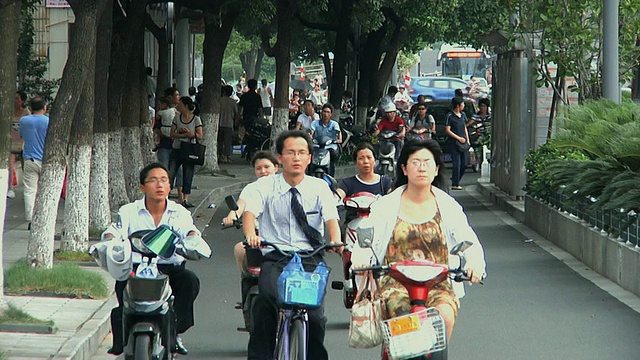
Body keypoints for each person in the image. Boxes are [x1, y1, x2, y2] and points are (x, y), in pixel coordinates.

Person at [351, 139, 486, 342]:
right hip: (395, 284)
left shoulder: (449, 206)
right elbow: (367, 238)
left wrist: (474, 265)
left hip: (438, 284)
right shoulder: (385, 206)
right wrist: (360, 260)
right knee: (405, 321)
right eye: (415, 162)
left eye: (427, 162)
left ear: (436, 168)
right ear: (404, 168)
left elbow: (468, 240)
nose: (421, 168)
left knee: (444, 316)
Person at [242, 130, 342, 360]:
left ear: (309, 158)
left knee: (316, 318)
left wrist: (335, 240)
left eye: (302, 153)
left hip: (310, 257)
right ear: (279, 157)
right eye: (290, 152)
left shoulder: (319, 187)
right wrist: (250, 235)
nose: (296, 158)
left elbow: (331, 219)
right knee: (265, 301)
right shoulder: (265, 186)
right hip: (275, 257)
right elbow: (250, 214)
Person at [101, 162, 209, 356]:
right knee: (122, 288)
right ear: (142, 187)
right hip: (135, 268)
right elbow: (114, 231)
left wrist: (192, 239)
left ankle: (175, 331)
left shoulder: (179, 212)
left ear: (169, 186)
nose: (159, 185)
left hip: (169, 269)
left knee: (189, 281)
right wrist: (109, 241)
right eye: (153, 180)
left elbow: (189, 230)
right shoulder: (128, 211)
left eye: (164, 180)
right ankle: (122, 337)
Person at [222, 151, 279, 272]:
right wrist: (231, 217)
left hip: (282, 237)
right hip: (257, 238)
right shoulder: (251, 189)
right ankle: (247, 282)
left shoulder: (285, 187)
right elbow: (239, 206)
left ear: (276, 167)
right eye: (258, 168)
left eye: (267, 167)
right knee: (240, 249)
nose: (263, 171)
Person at [336, 142, 394, 224]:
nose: (366, 161)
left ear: (375, 160)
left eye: (369, 157)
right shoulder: (348, 183)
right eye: (361, 158)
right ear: (355, 162)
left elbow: (393, 198)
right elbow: (338, 194)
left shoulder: (385, 182)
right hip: (352, 226)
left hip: (379, 225)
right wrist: (334, 199)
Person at [168, 97, 203, 208]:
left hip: (189, 150)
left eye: (181, 104)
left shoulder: (196, 119)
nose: (178, 106)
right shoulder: (177, 118)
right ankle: (166, 195)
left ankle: (185, 199)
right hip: (177, 149)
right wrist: (183, 134)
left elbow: (200, 136)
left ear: (186, 106)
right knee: (171, 173)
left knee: (188, 174)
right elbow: (172, 134)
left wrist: (190, 133)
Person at [19, 97, 48, 227]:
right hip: (46, 160)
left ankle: (31, 219)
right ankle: (44, 217)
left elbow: (21, 136)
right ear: (44, 108)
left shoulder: (24, 121)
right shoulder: (48, 121)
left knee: (30, 190)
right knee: (45, 190)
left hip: (29, 160)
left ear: (30, 108)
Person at [310, 103, 342, 177]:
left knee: (333, 155)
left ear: (331, 114)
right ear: (321, 112)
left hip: (330, 146)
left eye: (328, 112)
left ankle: (331, 175)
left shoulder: (334, 124)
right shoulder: (315, 123)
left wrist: (337, 140)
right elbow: (311, 133)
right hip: (317, 145)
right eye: (324, 111)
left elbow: (339, 137)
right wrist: (310, 137)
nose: (325, 114)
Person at [445, 97, 470, 190]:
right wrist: (458, 138)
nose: (463, 106)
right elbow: (447, 130)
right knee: (457, 163)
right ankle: (455, 183)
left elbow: (464, 127)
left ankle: (455, 179)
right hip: (454, 142)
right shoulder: (450, 116)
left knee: (465, 163)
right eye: (462, 104)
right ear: (457, 106)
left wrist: (467, 139)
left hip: (463, 142)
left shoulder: (463, 115)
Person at [9, 91, 30, 199]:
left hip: (23, 144)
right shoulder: (9, 112)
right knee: (10, 165)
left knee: (25, 167)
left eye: (17, 98)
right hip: (12, 143)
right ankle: (10, 188)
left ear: (22, 101)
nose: (15, 100)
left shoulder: (26, 113)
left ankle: (27, 189)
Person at [219, 85, 239, 163]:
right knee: (228, 142)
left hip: (220, 124)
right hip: (229, 124)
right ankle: (226, 157)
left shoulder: (219, 101)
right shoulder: (233, 102)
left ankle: (220, 156)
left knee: (220, 141)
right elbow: (237, 113)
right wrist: (236, 123)